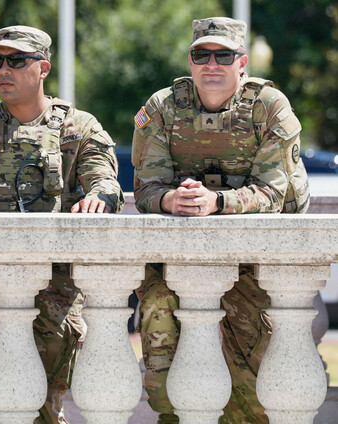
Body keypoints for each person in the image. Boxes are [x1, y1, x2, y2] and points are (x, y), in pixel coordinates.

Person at [0, 25, 122, 424]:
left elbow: (104, 180)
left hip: (58, 278)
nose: (4, 70)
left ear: (43, 68)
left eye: (16, 61)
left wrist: (98, 197)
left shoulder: (77, 127)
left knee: (45, 391)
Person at [131, 17, 309, 424]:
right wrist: (172, 199)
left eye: (223, 55)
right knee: (160, 320)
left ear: (241, 62)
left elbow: (273, 194)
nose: (211, 64)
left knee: (252, 384)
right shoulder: (162, 107)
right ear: (190, 62)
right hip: (179, 259)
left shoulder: (268, 107)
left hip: (254, 259)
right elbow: (145, 190)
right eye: (201, 55)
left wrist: (218, 202)